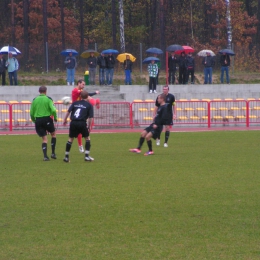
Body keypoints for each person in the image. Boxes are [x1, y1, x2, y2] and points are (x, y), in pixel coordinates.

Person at [63, 90, 94, 162]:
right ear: (87, 97)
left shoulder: (75, 103)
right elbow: (90, 117)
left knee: (70, 139)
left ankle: (66, 157)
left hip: (73, 122)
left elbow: (68, 111)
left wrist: (65, 120)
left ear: (80, 96)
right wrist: (89, 126)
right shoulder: (89, 105)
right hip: (82, 123)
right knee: (87, 138)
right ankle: (86, 156)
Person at [30, 86, 57, 161]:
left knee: (44, 139)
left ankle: (45, 156)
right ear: (45, 91)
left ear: (39, 91)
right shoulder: (48, 99)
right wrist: (55, 117)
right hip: (47, 119)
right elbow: (53, 110)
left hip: (38, 120)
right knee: (53, 134)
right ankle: (53, 153)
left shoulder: (35, 100)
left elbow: (31, 113)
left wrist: (34, 120)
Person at [71, 79, 100, 153]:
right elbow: (87, 95)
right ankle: (80, 145)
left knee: (81, 130)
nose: (84, 86)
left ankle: (81, 146)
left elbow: (86, 96)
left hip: (81, 109)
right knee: (76, 132)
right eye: (83, 84)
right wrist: (95, 94)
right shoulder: (75, 90)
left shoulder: (80, 91)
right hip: (76, 110)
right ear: (79, 83)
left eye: (84, 84)